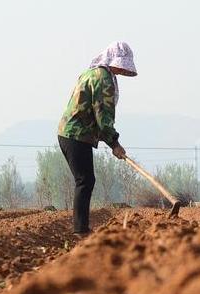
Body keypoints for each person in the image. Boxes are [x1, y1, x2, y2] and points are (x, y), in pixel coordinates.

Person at [57, 41, 136, 235]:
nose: (122, 71)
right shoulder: (103, 79)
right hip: (77, 134)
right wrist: (114, 143)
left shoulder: (92, 73)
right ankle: (80, 230)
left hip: (69, 133)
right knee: (85, 180)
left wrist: (111, 141)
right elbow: (103, 115)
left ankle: (80, 228)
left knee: (85, 180)